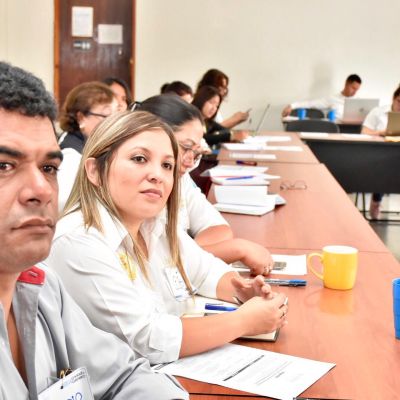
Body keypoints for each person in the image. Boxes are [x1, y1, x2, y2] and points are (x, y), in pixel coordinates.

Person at [0, 61, 188, 399]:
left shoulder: (42, 287)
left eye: (48, 167)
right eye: (4, 165)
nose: (41, 190)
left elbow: (123, 375)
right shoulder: (75, 244)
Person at [43, 110, 288, 365]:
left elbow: (204, 271)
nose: (157, 175)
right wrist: (243, 321)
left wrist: (241, 290)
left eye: (167, 165)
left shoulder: (153, 224)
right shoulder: (78, 242)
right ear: (94, 170)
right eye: (139, 159)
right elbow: (146, 339)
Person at [139, 94, 274, 275]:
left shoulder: (181, 178)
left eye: (196, 152)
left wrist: (190, 255)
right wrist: (235, 249)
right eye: (186, 147)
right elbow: (159, 264)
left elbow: (219, 229)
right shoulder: (142, 187)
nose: (190, 161)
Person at [58, 81, 118, 211]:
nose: (113, 123)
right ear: (81, 117)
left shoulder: (91, 145)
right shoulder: (71, 155)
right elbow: (63, 204)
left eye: (116, 116)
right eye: (106, 116)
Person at [361, 85, 400, 219]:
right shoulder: (378, 112)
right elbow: (364, 132)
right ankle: (376, 200)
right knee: (385, 166)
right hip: (379, 154)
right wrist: (380, 133)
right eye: (399, 101)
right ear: (394, 98)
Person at [281, 74, 362, 120]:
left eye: (357, 90)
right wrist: (292, 105)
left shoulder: (359, 101)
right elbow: (311, 104)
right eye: (353, 88)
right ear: (346, 84)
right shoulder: (333, 99)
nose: (355, 92)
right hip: (337, 129)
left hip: (355, 129)